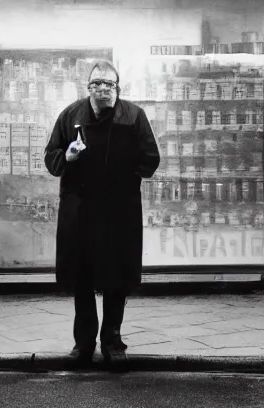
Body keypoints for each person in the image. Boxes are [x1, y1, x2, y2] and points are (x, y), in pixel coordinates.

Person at [44, 60, 160, 363]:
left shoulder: (133, 116)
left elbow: (151, 158)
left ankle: (112, 342)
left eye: (109, 84)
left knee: (115, 278)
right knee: (81, 279)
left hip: (118, 211)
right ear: (88, 88)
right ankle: (83, 343)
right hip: (80, 211)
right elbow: (50, 156)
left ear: (117, 87)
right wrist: (67, 156)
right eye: (97, 84)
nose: (103, 89)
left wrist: (126, 165)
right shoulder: (70, 115)